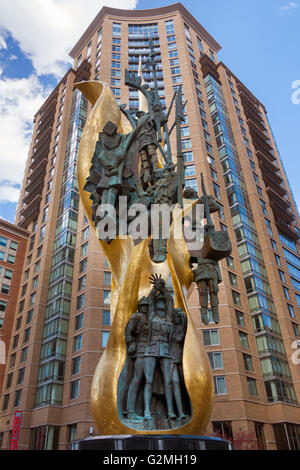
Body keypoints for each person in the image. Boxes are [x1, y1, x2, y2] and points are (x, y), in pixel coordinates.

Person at [143, 275, 176, 420]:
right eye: (159, 303)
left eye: (163, 304)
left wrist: (163, 288)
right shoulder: (151, 316)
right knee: (148, 381)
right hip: (150, 349)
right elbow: (149, 300)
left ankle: (170, 411)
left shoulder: (168, 318)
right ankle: (146, 411)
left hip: (165, 350)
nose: (162, 305)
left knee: (168, 381)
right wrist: (155, 288)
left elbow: (170, 300)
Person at [125, 296, 150, 422]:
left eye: (146, 305)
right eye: (143, 305)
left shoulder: (148, 317)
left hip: (150, 350)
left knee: (147, 381)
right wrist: (131, 344)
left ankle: (146, 410)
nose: (145, 307)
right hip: (140, 350)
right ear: (139, 307)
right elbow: (128, 332)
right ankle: (130, 411)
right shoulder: (135, 317)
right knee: (137, 378)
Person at [192, 257, 222, 324]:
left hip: (211, 269)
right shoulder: (195, 249)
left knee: (213, 291)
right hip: (200, 270)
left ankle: (215, 314)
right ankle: (204, 314)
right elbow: (188, 258)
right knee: (202, 292)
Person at [171, 308, 188, 420]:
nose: (176, 319)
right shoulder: (171, 328)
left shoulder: (181, 329)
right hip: (171, 359)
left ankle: (183, 410)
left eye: (178, 317)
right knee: (175, 383)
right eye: (175, 317)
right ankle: (179, 412)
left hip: (181, 359)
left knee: (183, 385)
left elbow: (180, 339)